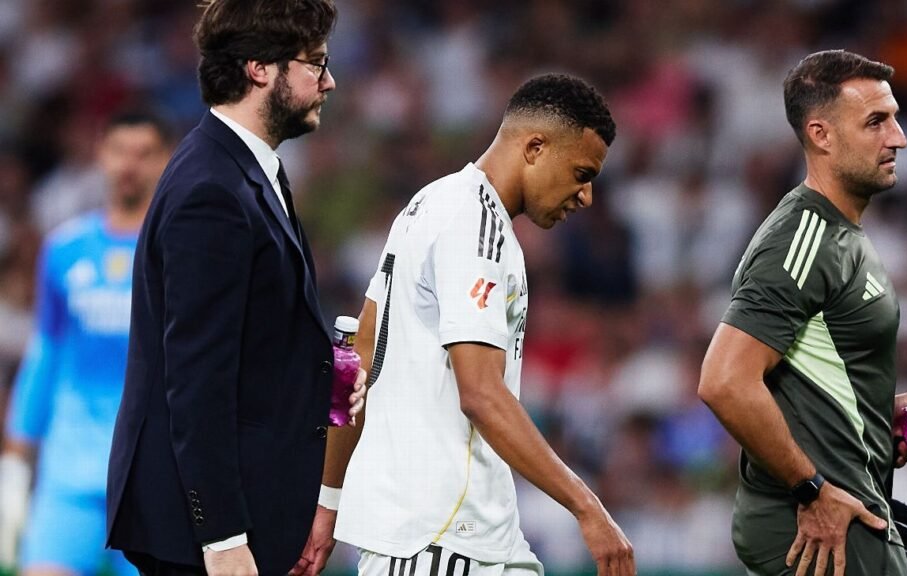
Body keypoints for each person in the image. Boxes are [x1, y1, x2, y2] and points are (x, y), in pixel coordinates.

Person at [327, 73, 635, 576]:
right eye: (582, 173)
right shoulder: (475, 226)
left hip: (474, 535)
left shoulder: (429, 203)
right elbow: (481, 394)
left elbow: (356, 359)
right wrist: (588, 507)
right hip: (439, 538)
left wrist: (328, 499)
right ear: (535, 147)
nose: (586, 196)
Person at [105, 1, 363, 575]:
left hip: (244, 512)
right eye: (316, 64)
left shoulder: (246, 170)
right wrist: (221, 536)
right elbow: (195, 380)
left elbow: (254, 341)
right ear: (259, 68)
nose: (329, 82)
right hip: (204, 536)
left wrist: (325, 372)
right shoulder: (212, 191)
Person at [698, 50, 907, 576]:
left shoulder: (841, 234)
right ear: (821, 135)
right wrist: (811, 489)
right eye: (876, 122)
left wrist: (875, 411)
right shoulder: (802, 240)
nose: (898, 138)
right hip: (821, 528)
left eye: (895, 118)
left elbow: (805, 374)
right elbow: (725, 381)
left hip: (849, 514)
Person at [0, 111, 172, 576]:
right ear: (101, 156)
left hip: (151, 480)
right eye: (119, 151)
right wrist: (15, 459)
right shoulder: (64, 248)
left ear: (166, 160)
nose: (129, 165)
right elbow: (46, 352)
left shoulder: (178, 254)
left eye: (144, 153)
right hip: (69, 473)